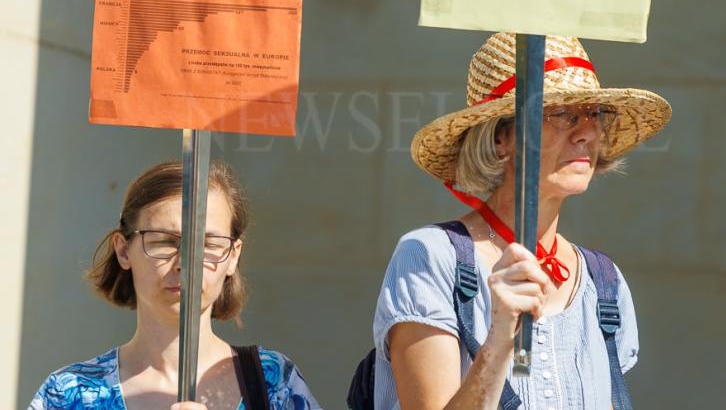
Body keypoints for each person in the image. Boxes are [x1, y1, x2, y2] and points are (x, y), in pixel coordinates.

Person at [373, 33, 672, 409]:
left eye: (595, 114)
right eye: (563, 114)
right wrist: (499, 339)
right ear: (502, 137)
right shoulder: (432, 257)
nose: (587, 132)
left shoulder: (604, 282)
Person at [30, 160, 320, 410]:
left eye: (208, 243)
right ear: (123, 250)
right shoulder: (69, 394)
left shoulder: (274, 385)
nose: (186, 262)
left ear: (233, 256)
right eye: (164, 241)